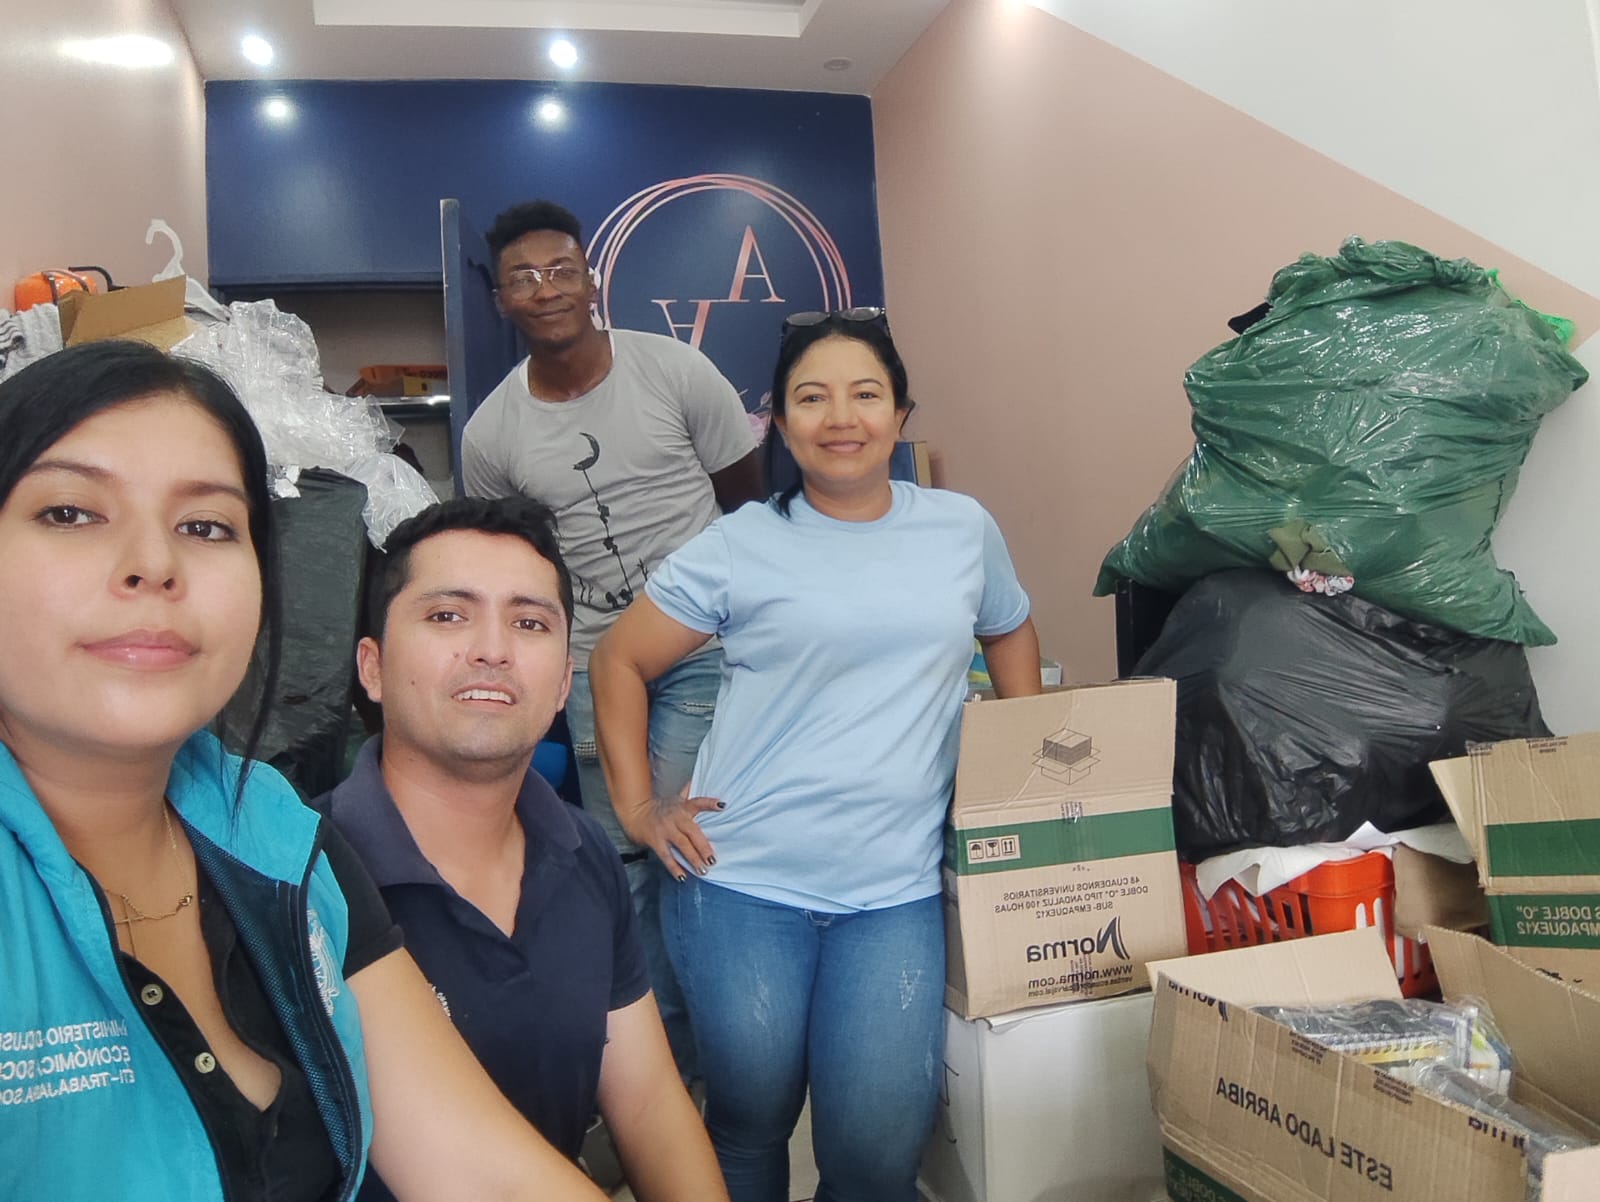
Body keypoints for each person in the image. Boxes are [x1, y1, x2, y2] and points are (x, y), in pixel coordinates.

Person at [0, 341, 607, 1202]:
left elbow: (480, 1169)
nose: (154, 563)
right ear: (370, 664)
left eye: (206, 526)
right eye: (69, 512)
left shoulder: (278, 840)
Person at [588, 309, 1043, 1202]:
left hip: (893, 892)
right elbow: (618, 660)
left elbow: (1009, 624)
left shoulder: (961, 528)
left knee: (876, 1156)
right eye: (812, 397)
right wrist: (639, 809)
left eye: (865, 395)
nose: (841, 418)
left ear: (900, 414)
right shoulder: (741, 543)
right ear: (780, 420)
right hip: (741, 883)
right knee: (750, 1123)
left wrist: (1017, 759)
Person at [317, 496, 728, 1202]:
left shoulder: (584, 851)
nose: (493, 649)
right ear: (372, 667)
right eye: (448, 615)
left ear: (564, 683)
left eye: (530, 623)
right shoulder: (300, 875)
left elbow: (649, 1102)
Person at [460, 198, 764, 1077]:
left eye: (562, 269)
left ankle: (723, 1056)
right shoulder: (492, 431)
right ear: (502, 300)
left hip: (703, 647)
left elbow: (746, 497)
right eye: (524, 277)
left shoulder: (675, 371)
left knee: (683, 839)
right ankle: (660, 1068)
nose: (546, 288)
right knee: (621, 858)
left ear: (591, 280)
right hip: (596, 661)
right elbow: (511, 562)